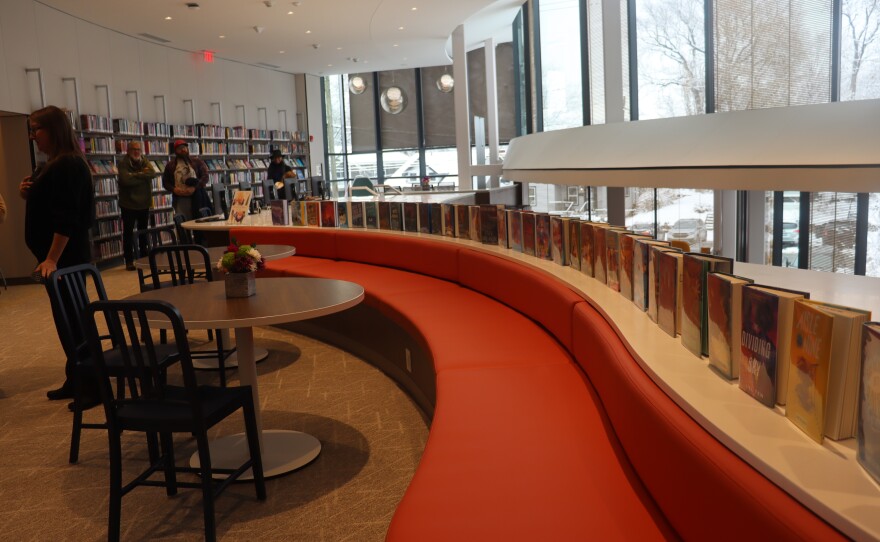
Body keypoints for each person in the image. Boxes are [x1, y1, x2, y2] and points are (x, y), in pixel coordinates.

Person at [19, 105, 94, 402]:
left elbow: (67, 218)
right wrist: (27, 193)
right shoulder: (55, 163)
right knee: (67, 321)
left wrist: (52, 258)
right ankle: (75, 377)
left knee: (74, 321)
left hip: (66, 260)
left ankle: (90, 386)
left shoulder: (67, 165)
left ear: (54, 129)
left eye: (37, 129)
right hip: (61, 260)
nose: (32, 136)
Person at [116, 141, 153, 270]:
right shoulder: (123, 164)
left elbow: (152, 173)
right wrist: (142, 176)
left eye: (139, 149)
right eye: (134, 149)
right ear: (128, 150)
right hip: (128, 205)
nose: (137, 151)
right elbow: (125, 181)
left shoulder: (145, 161)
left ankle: (144, 257)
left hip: (144, 204)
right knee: (128, 233)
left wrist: (134, 175)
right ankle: (129, 261)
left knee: (143, 232)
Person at [162, 139, 208, 221]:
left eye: (184, 147)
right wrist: (174, 189)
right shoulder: (170, 165)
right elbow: (165, 182)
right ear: (175, 151)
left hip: (197, 197)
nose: (183, 150)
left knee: (198, 222)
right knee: (183, 224)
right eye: (180, 148)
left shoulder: (197, 162)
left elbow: (205, 177)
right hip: (180, 199)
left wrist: (194, 188)